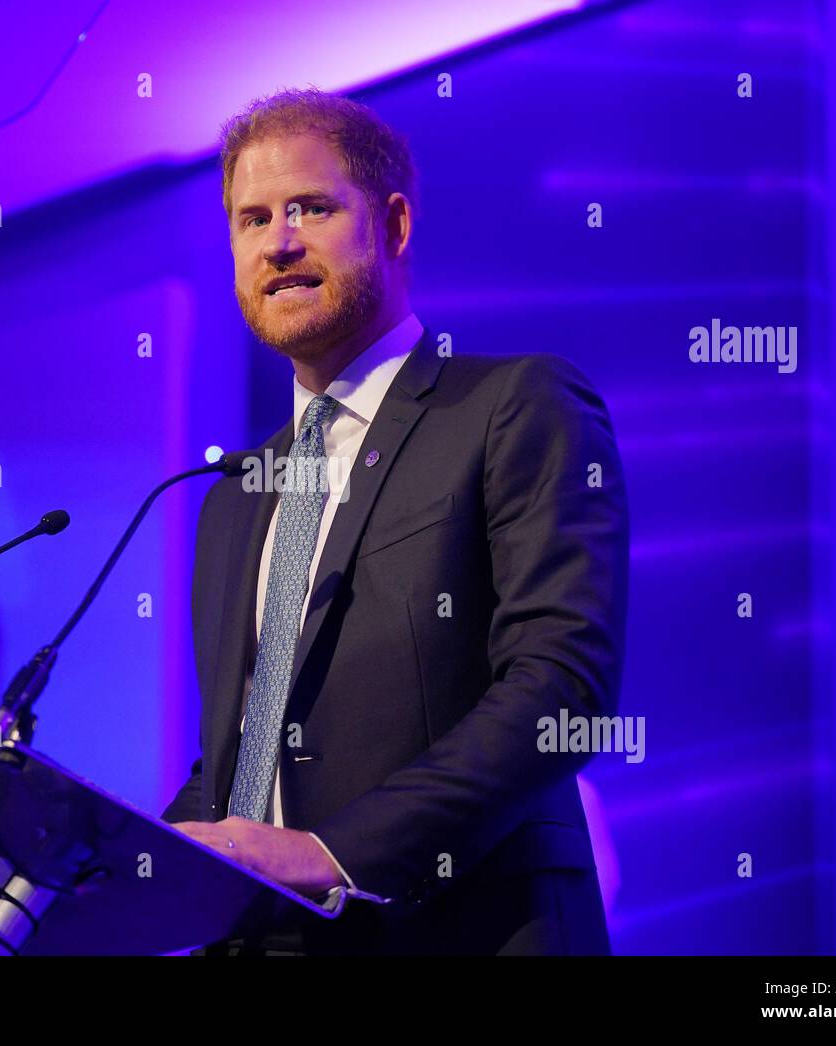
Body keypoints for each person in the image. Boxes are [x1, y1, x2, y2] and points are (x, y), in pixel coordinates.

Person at [163, 88, 628, 955]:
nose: (280, 241)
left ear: (395, 224)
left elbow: (562, 691)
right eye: (252, 219)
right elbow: (240, 759)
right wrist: (127, 871)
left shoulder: (511, 407)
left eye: (312, 207)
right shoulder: (233, 497)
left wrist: (334, 855)